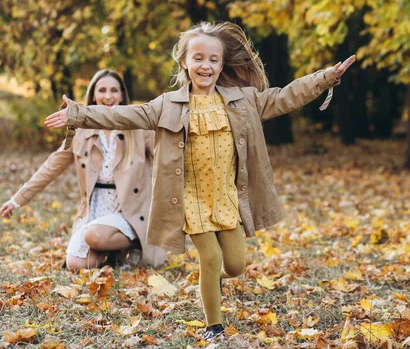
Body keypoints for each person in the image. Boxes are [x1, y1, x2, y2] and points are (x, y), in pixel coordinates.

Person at [45, 22, 355, 341]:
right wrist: (78, 114)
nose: (205, 66)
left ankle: (209, 285)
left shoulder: (241, 100)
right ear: (185, 61)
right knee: (211, 257)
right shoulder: (168, 105)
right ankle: (213, 327)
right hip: (191, 200)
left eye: (213, 60)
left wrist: (326, 77)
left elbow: (285, 97)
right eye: (198, 58)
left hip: (225, 199)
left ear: (222, 64)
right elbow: (123, 115)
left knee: (234, 266)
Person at [2, 70, 166, 271]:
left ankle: (141, 241)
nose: (108, 96)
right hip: (96, 208)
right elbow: (51, 166)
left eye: (114, 90)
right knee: (76, 264)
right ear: (94, 95)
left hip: (130, 209)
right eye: (102, 90)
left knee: (94, 236)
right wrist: (17, 199)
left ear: (122, 95)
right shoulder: (81, 132)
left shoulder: (139, 129)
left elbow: (165, 161)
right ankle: (115, 250)